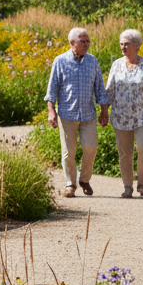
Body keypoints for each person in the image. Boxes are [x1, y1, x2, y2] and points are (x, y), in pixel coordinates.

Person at [44, 27, 109, 198]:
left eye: (88, 40)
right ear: (72, 43)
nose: (87, 43)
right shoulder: (60, 61)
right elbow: (52, 90)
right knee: (68, 152)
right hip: (67, 114)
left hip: (88, 114)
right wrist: (51, 112)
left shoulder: (93, 61)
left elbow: (100, 89)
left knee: (91, 147)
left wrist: (104, 111)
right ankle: (70, 183)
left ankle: (84, 179)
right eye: (83, 41)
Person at [105, 29, 143, 198]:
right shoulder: (116, 64)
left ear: (137, 46)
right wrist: (103, 110)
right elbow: (110, 90)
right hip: (120, 116)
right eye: (121, 44)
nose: (123, 47)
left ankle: (141, 184)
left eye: (127, 44)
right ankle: (127, 187)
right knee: (125, 154)